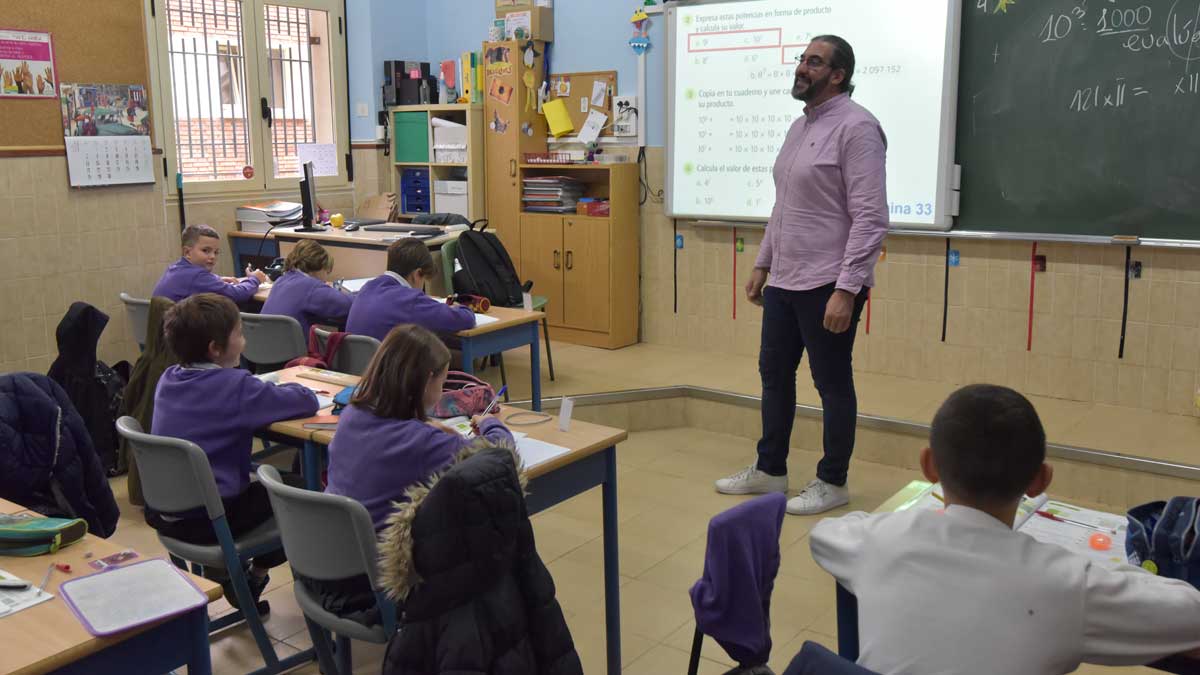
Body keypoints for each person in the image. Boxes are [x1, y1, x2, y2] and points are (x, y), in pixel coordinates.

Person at [810, 384, 1200, 675]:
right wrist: (1107, 574)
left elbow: (825, 534)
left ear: (929, 467)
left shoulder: (878, 541)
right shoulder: (1069, 585)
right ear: (1040, 481)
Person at [716, 35, 889, 515]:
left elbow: (871, 217)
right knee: (774, 375)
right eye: (802, 59)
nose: (802, 68)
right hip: (786, 279)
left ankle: (833, 481)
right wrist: (763, 262)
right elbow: (784, 206)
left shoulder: (858, 129)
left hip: (828, 282)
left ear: (838, 74)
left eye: (814, 62)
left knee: (832, 383)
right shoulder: (799, 127)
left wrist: (847, 289)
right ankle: (770, 470)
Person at [149, 293, 319, 610]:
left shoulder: (168, 379)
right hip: (212, 517)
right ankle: (254, 576)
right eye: (239, 334)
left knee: (271, 486)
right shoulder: (236, 387)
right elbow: (305, 400)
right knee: (300, 493)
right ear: (216, 348)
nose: (243, 342)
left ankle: (231, 574)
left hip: (166, 514)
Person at [325, 323, 513, 530]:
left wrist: (428, 428)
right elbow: (500, 452)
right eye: (442, 383)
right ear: (426, 381)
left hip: (335, 546)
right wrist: (489, 422)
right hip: (386, 556)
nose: (442, 392)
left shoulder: (352, 413)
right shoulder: (422, 442)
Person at [345, 239, 475, 341]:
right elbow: (465, 319)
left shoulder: (367, 287)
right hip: (388, 373)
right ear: (417, 274)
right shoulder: (409, 300)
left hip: (355, 370)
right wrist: (460, 308)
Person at [152, 224, 267, 303]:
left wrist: (217, 279)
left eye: (216, 252)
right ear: (187, 252)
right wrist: (254, 279)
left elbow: (196, 282)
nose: (212, 256)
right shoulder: (197, 277)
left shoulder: (175, 268)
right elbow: (237, 294)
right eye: (205, 251)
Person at [261, 239, 354, 335]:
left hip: (265, 347)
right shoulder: (312, 288)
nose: (326, 278)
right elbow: (350, 305)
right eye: (327, 271)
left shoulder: (281, 280)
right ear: (320, 267)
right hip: (295, 349)